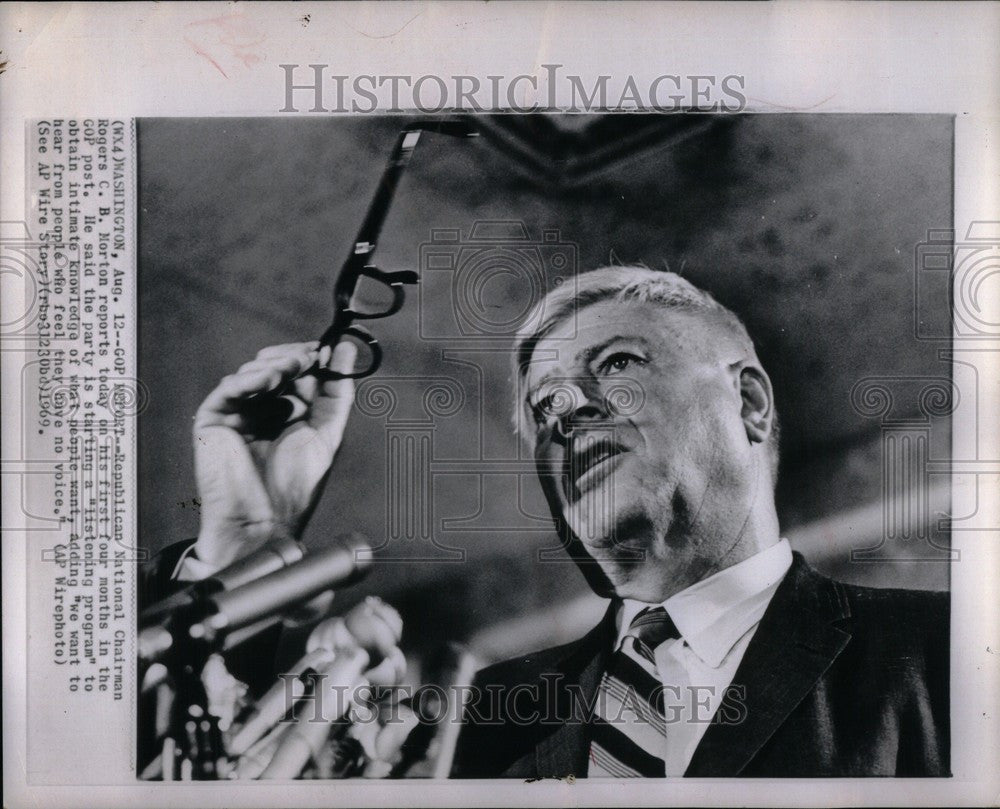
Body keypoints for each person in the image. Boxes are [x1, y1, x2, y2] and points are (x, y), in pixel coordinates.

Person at [164, 265, 949, 778]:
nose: (569, 412)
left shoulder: (944, 654)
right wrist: (243, 545)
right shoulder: (457, 728)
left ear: (747, 402)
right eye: (544, 407)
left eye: (617, 363)